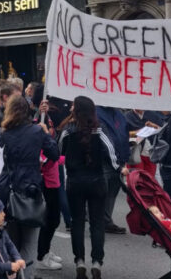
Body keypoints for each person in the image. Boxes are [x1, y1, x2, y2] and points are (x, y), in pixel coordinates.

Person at [0, 96, 60, 279]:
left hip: (7, 190)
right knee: (29, 243)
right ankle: (27, 276)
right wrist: (45, 134)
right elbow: (54, 154)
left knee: (12, 243)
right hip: (30, 190)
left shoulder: (1, 133)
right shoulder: (36, 132)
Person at [59, 96, 124, 279]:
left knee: (78, 222)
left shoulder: (67, 130)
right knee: (97, 224)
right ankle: (97, 262)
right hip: (97, 182)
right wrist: (120, 168)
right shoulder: (98, 131)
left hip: (74, 183)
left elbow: (59, 150)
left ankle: (79, 261)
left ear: (76, 110)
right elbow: (111, 153)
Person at [95, 105, 130, 235]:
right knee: (101, 193)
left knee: (112, 193)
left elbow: (124, 135)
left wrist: (125, 157)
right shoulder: (97, 113)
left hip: (118, 159)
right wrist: (118, 165)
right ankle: (98, 221)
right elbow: (105, 143)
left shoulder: (119, 114)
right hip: (104, 161)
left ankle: (106, 221)